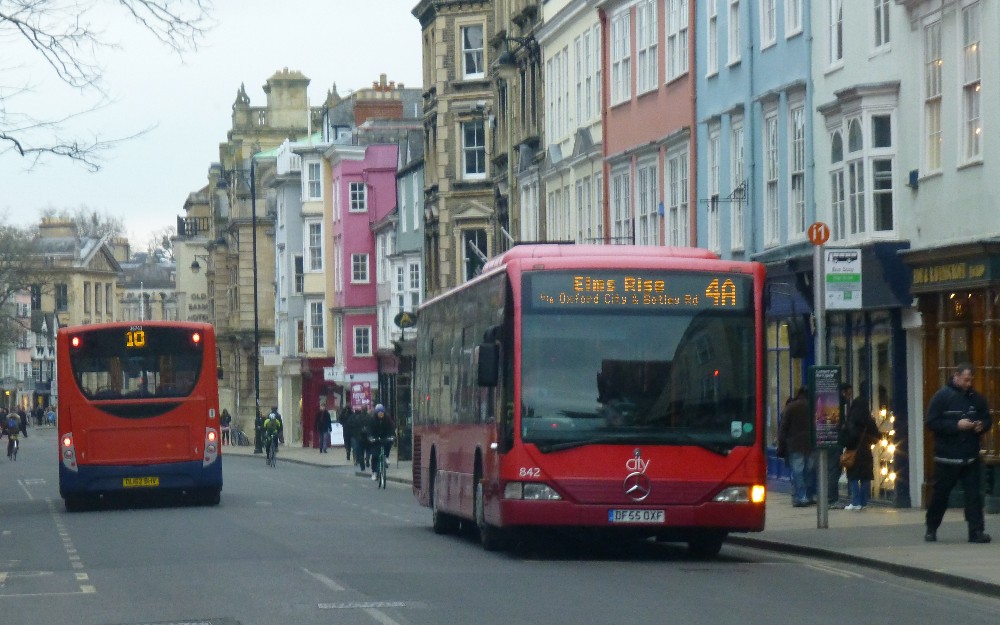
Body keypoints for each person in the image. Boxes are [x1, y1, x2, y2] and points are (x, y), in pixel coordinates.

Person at [925, 363, 993, 544]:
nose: (968, 384)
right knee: (941, 495)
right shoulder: (941, 397)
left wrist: (982, 425)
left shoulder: (977, 398)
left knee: (974, 496)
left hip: (970, 455)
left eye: (971, 380)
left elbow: (987, 418)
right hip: (946, 457)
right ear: (956, 376)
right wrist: (956, 425)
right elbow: (931, 422)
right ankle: (931, 528)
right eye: (965, 380)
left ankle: (976, 531)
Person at [777, 387, 815, 507]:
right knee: (808, 471)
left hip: (795, 444)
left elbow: (783, 427)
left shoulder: (791, 407)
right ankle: (807, 495)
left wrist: (781, 443)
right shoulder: (813, 407)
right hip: (811, 444)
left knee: (798, 471)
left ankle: (800, 496)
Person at [843, 386, 878, 511]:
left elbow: (848, 437)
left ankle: (855, 501)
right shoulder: (870, 420)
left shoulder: (851, 419)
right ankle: (863, 502)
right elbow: (876, 436)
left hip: (853, 450)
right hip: (866, 451)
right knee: (865, 476)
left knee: (853, 476)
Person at [368, 404, 396, 481]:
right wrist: (371, 438)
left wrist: (392, 436)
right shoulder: (372, 420)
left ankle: (386, 456)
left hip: (384, 437)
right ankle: (374, 472)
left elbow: (391, 428)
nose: (381, 415)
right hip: (375, 439)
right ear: (376, 413)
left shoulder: (387, 419)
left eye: (382, 413)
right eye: (379, 413)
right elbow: (369, 430)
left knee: (388, 443)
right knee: (374, 456)